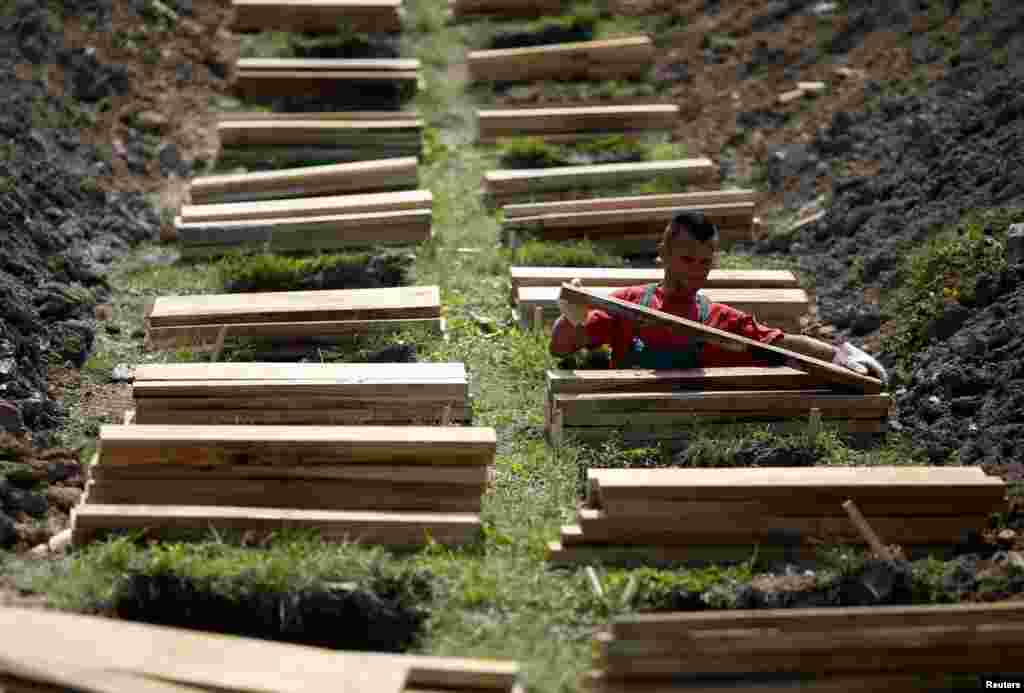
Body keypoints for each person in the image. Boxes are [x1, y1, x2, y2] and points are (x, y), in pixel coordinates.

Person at [549, 211, 888, 382]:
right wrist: (573, 316)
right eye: (686, 260)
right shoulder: (628, 304)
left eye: (704, 262)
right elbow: (560, 347)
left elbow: (784, 345)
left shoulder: (720, 322)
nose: (695, 271)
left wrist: (840, 357)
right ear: (663, 255)